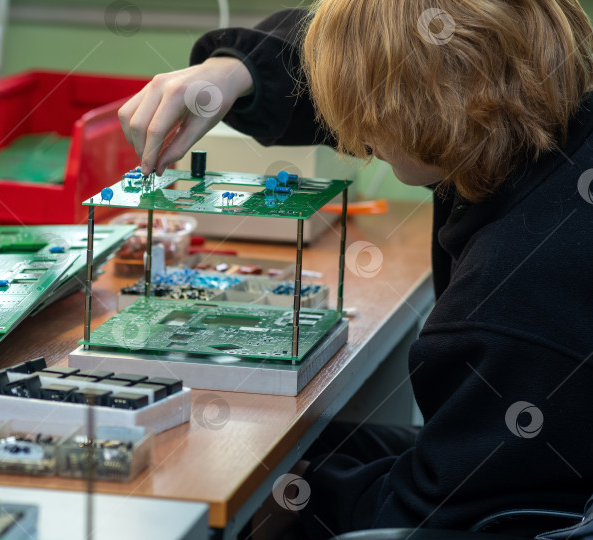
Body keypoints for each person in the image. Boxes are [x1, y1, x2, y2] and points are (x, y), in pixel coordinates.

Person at [118, 1, 593, 539]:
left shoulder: (507, 302)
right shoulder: (544, 117)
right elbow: (388, 46)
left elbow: (437, 517)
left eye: (364, 114)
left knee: (267, 487)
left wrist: (291, 505)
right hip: (530, 464)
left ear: (422, 107)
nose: (357, 136)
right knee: (310, 446)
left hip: (513, 510)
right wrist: (234, 68)